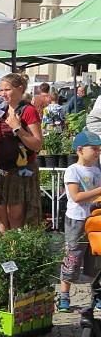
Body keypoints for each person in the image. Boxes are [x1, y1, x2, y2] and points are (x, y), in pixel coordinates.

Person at [0, 72, 43, 231]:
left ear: (20, 89)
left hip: (19, 171)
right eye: (1, 90)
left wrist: (17, 128)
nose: (3, 93)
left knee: (15, 217)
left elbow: (37, 145)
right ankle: (5, 251)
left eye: (7, 89)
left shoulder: (28, 111)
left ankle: (14, 253)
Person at [58, 130, 101, 312]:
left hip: (95, 220)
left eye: (99, 149)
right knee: (72, 258)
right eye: (94, 149)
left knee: (95, 259)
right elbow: (76, 197)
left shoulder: (97, 170)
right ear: (80, 150)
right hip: (76, 221)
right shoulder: (72, 170)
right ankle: (64, 296)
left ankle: (96, 295)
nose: (98, 152)